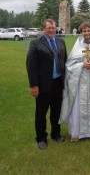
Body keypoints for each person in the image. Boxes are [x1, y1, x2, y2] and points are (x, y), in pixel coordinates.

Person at [59, 21, 90, 141]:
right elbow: (69, 65)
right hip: (80, 80)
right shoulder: (77, 46)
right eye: (84, 31)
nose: (87, 33)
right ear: (81, 32)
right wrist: (81, 64)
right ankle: (77, 133)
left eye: (88, 30)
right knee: (79, 106)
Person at [26, 19, 67, 150]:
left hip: (58, 83)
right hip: (43, 85)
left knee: (56, 112)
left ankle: (56, 134)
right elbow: (31, 66)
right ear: (43, 29)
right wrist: (34, 85)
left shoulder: (61, 42)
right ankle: (41, 138)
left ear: (56, 28)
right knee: (41, 113)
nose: (51, 30)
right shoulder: (35, 43)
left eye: (53, 28)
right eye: (49, 28)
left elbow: (64, 62)